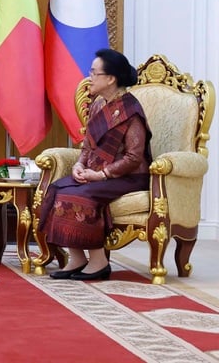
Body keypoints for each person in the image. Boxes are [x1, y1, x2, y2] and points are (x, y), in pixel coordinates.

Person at [39, 48, 152, 282]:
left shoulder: (131, 110)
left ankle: (99, 262)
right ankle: (77, 258)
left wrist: (100, 175)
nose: (89, 76)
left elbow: (133, 157)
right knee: (59, 187)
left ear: (110, 78)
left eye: (93, 72)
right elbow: (88, 146)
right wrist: (79, 166)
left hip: (128, 176)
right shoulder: (98, 104)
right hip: (96, 171)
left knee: (84, 195)